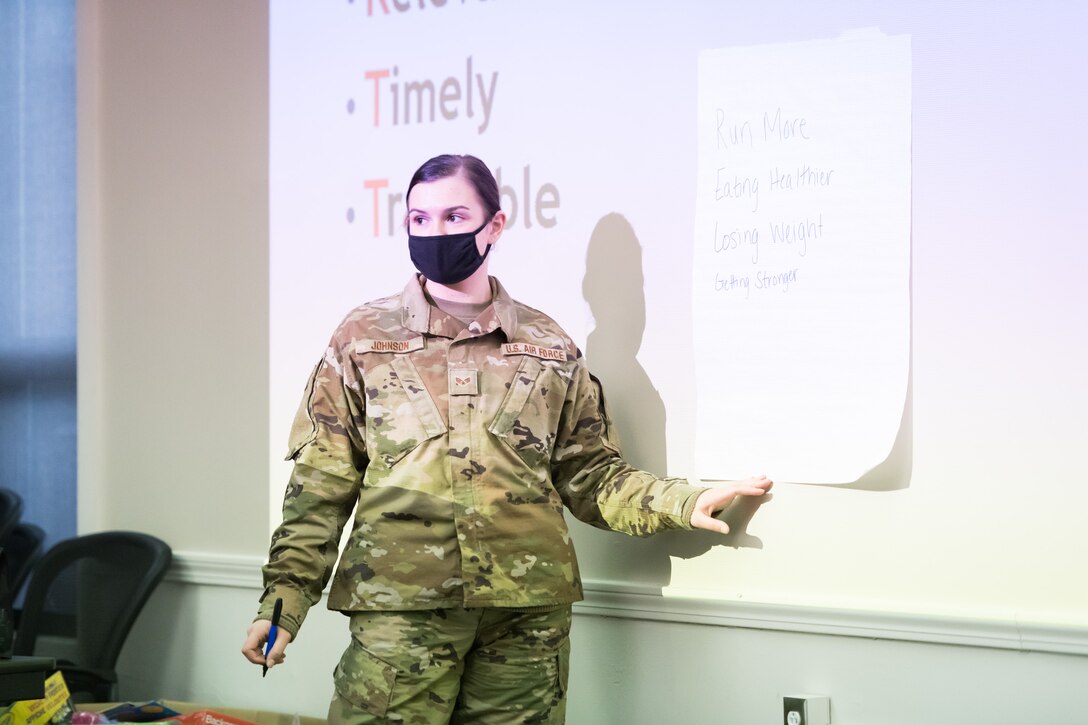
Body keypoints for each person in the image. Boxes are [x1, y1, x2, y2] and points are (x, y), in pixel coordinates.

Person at [241, 154, 773, 724]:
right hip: (403, 614)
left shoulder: (548, 344)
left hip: (526, 617)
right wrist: (285, 601)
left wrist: (684, 502)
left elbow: (591, 475)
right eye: (420, 219)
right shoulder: (362, 339)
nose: (436, 232)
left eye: (454, 216)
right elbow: (321, 484)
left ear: (494, 225)